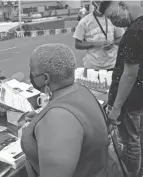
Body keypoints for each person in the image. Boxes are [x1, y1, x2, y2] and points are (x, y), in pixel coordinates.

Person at [21, 43, 109, 177]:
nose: (31, 74)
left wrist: (49, 123)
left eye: (32, 69)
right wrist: (40, 120)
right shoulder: (81, 90)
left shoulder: (58, 120)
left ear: (45, 78)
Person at [101, 1, 143, 176]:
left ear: (122, 5)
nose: (113, 22)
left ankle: (131, 174)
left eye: (112, 16)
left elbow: (129, 74)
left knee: (130, 142)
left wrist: (116, 107)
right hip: (138, 95)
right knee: (137, 136)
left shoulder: (133, 32)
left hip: (130, 98)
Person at [73, 0, 124, 71]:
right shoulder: (84, 21)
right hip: (92, 66)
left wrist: (112, 43)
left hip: (112, 64)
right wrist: (94, 44)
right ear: (94, 4)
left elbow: (121, 38)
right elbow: (77, 44)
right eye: (99, 2)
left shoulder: (113, 19)